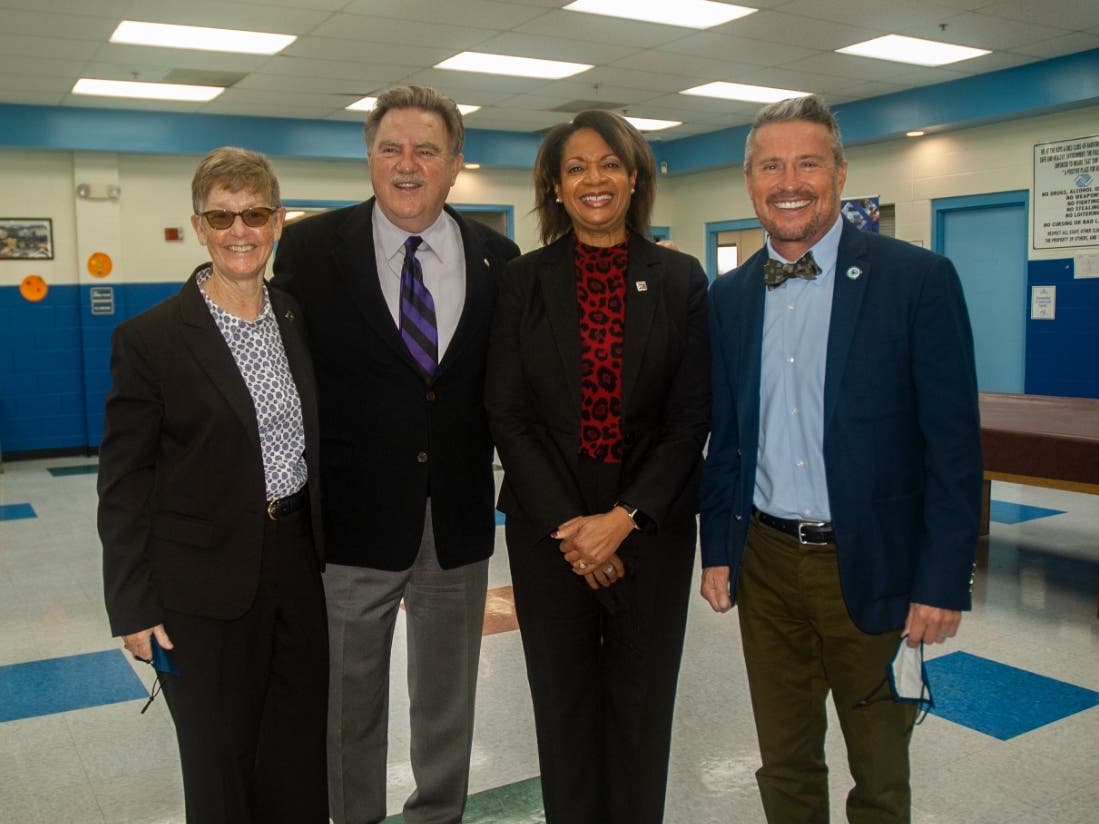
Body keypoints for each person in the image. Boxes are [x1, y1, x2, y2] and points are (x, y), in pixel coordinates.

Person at [699, 95, 982, 823]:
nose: (787, 180)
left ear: (840, 172)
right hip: (763, 560)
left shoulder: (915, 279)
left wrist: (942, 577)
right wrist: (717, 551)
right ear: (749, 180)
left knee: (879, 773)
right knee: (785, 761)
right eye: (769, 164)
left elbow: (952, 445)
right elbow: (725, 436)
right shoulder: (727, 297)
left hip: (874, 562)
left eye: (806, 162)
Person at [271, 85, 520, 824]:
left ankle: (436, 814)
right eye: (390, 149)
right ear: (369, 157)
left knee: (446, 699)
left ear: (454, 163)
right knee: (346, 703)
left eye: (425, 150)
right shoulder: (313, 247)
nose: (406, 165)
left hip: (457, 520)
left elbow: (506, 388)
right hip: (350, 523)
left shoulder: (496, 258)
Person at [486, 110, 711, 824]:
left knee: (642, 710)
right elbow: (508, 414)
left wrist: (622, 520)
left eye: (608, 163)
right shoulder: (522, 281)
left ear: (634, 175)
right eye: (576, 167)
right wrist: (573, 529)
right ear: (555, 186)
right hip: (549, 536)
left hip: (652, 530)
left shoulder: (678, 278)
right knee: (564, 709)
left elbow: (688, 419)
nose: (593, 179)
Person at [98, 146, 328, 823]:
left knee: (296, 748)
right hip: (197, 587)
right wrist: (133, 605)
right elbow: (123, 481)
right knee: (218, 760)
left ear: (278, 221)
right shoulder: (152, 340)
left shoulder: (293, 318)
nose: (239, 231)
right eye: (221, 217)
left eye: (254, 214)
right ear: (198, 228)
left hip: (294, 564)